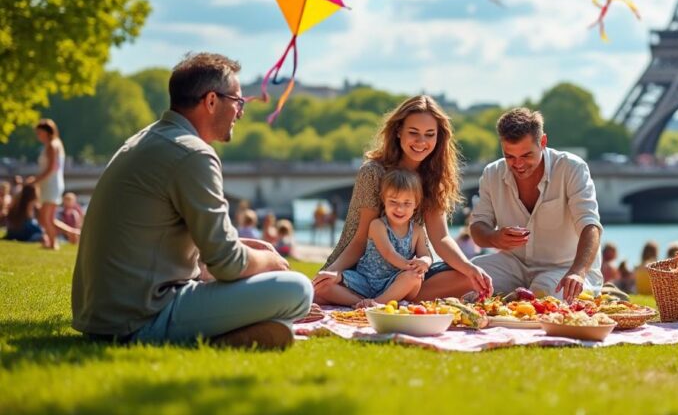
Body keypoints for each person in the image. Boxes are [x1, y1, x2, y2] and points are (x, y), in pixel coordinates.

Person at [71, 53, 312, 349]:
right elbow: (227, 264)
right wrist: (269, 260)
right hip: (140, 318)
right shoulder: (193, 153)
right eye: (238, 101)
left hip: (104, 315)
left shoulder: (146, 141)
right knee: (298, 289)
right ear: (211, 101)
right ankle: (219, 339)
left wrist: (246, 250)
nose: (241, 112)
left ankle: (239, 334)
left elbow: (202, 254)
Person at [314, 95, 492, 304]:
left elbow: (441, 238)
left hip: (406, 275)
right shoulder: (373, 173)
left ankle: (381, 299)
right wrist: (331, 273)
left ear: (439, 137)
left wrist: (470, 268)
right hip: (359, 271)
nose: (421, 142)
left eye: (429, 135)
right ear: (398, 131)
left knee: (467, 278)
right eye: (413, 133)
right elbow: (360, 239)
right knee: (321, 289)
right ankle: (381, 301)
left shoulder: (435, 178)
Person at [468, 108, 603, 301]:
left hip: (565, 268)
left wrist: (578, 271)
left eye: (526, 155)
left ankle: (511, 301)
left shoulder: (572, 168)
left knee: (543, 292)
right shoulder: (492, 173)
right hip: (513, 265)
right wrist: (494, 237)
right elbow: (478, 227)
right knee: (468, 277)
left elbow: (590, 226)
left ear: (543, 142)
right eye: (509, 156)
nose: (518, 164)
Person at [325, 169, 433, 307]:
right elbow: (389, 253)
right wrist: (410, 265)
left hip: (393, 283)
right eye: (393, 202)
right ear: (384, 200)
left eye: (407, 203)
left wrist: (424, 262)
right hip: (365, 280)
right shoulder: (378, 225)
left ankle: (377, 303)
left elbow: (425, 254)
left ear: (416, 204)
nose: (399, 209)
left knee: (414, 277)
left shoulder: (417, 230)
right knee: (324, 286)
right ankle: (363, 303)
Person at [27, 119, 65, 249]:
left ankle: (53, 243)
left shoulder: (52, 146)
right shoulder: (55, 144)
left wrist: (35, 180)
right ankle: (54, 241)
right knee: (48, 218)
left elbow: (51, 168)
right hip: (52, 183)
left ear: (47, 132)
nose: (38, 135)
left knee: (44, 217)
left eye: (39, 132)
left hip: (50, 184)